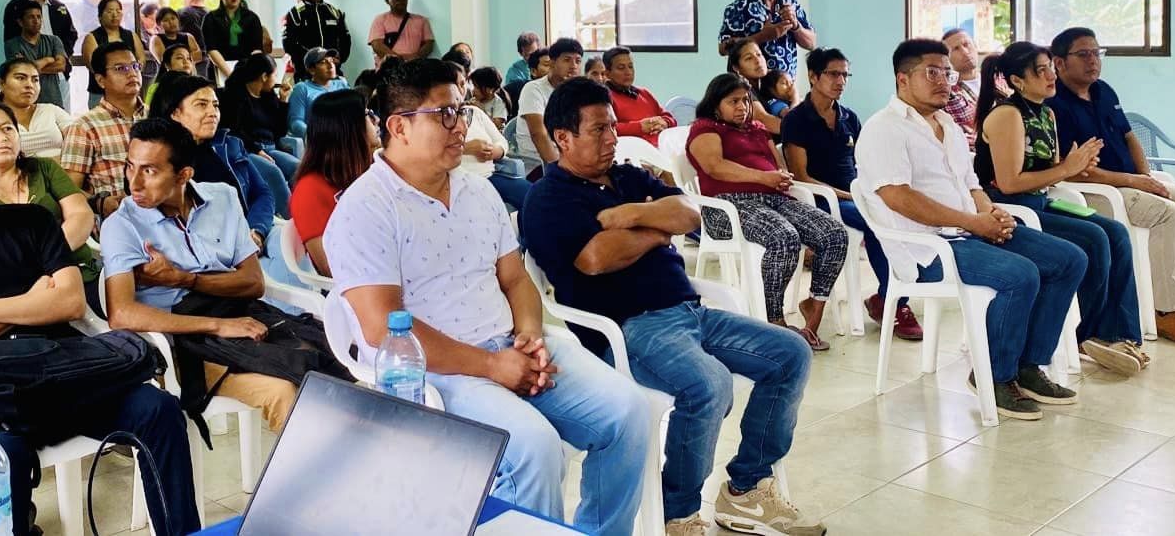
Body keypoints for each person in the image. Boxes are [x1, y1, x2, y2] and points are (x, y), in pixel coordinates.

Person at [326, 59, 652, 536]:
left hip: (511, 346)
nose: (461, 126)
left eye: (461, 111)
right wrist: (492, 366)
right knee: (533, 450)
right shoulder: (365, 209)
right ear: (398, 127)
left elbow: (516, 280)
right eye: (444, 114)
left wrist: (530, 337)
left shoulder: (477, 192)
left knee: (629, 413)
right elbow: (382, 327)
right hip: (437, 372)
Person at [522, 79, 822, 536]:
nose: (612, 138)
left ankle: (745, 489)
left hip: (690, 312)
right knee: (710, 385)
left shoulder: (626, 177)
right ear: (563, 137)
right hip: (630, 328)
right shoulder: (548, 198)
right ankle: (677, 513)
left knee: (791, 353)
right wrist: (657, 229)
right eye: (599, 129)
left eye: (612, 127)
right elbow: (596, 258)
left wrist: (632, 216)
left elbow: (689, 213)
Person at [0, 112, 199, 536]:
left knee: (158, 409)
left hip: (63, 377)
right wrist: (32, 301)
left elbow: (69, 302)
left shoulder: (31, 221)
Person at [856, 38, 1085, 420]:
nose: (943, 81)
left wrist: (991, 213)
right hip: (927, 249)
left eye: (947, 73)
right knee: (1021, 274)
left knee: (1068, 259)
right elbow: (898, 197)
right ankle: (994, 376)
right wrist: (972, 222)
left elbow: (971, 185)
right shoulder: (884, 129)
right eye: (932, 72)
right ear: (902, 79)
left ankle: (1027, 366)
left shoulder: (946, 124)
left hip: (970, 231)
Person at [100, 118, 300, 428]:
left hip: (244, 317)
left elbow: (252, 283)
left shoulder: (222, 198)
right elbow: (122, 314)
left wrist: (183, 278)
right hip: (185, 348)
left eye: (149, 171)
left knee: (325, 367)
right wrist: (218, 326)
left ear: (184, 175)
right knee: (287, 392)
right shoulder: (122, 225)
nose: (133, 183)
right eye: (130, 166)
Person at [1047, 27, 1175, 346]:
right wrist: (1133, 181)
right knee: (1169, 214)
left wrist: (1146, 177)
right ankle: (1167, 312)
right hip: (1095, 191)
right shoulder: (1054, 104)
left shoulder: (1104, 91)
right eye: (1083, 54)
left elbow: (1129, 137)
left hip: (1132, 183)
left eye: (1097, 53)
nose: (1093, 60)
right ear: (1059, 63)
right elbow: (1072, 170)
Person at [974, 43, 1146, 375]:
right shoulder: (1007, 115)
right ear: (1017, 81)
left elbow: (1050, 171)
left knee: (1115, 232)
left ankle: (1120, 334)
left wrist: (1078, 164)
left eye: (1050, 68)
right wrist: (1068, 168)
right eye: (1040, 70)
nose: (1051, 75)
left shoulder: (1046, 113)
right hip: (1009, 208)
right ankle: (1089, 335)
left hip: (1040, 201)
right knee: (1094, 238)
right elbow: (1008, 183)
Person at [688, 73, 848, 350]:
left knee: (834, 234)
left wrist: (781, 177)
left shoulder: (757, 129)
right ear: (715, 105)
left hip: (773, 198)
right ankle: (775, 321)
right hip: (728, 206)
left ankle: (814, 311)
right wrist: (764, 178)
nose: (742, 107)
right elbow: (714, 166)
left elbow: (777, 166)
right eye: (733, 101)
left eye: (746, 100)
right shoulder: (705, 128)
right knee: (783, 237)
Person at [781, 48, 923, 341]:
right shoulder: (797, 120)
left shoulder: (849, 117)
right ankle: (896, 304)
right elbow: (802, 178)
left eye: (845, 75)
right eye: (833, 74)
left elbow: (865, 163)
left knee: (900, 214)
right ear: (813, 76)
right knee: (877, 221)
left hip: (855, 196)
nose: (841, 81)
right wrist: (851, 196)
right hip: (820, 201)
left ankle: (888, 297)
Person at [0, 101, 99, 304]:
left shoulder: (44, 168)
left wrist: (47, 259)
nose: (2, 137)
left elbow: (80, 215)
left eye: (8, 128)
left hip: (79, 274)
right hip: (15, 291)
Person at [150, 75, 278, 257]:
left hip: (252, 235)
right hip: (206, 252)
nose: (213, 112)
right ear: (175, 113)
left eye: (215, 105)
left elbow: (262, 193)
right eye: (202, 105)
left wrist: (256, 231)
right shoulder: (161, 160)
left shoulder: (230, 145)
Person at [291, 90, 380, 278]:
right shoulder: (309, 190)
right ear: (347, 127)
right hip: (362, 285)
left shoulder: (375, 170)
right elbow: (331, 268)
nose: (376, 120)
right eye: (368, 114)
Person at [61, 42, 146, 219]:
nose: (132, 73)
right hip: (116, 218)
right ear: (100, 80)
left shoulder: (157, 116)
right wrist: (100, 203)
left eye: (135, 66)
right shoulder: (85, 127)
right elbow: (69, 190)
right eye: (120, 68)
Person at [717, 0, 816, 79]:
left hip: (785, 85)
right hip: (752, 86)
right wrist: (762, 36)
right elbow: (723, 48)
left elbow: (811, 43)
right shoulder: (737, 8)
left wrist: (796, 25)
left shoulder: (790, 3)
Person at [447, 60, 531, 210]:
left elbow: (501, 141)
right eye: (455, 84)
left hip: (490, 176)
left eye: (463, 84)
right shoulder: (433, 119)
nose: (461, 90)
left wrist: (495, 151)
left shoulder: (474, 112)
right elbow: (429, 150)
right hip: (458, 180)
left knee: (533, 197)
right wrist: (467, 148)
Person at [219, 53, 299, 190]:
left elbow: (280, 131)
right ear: (264, 76)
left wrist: (283, 101)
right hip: (247, 150)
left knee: (299, 168)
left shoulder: (269, 96)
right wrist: (257, 150)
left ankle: (299, 201)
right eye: (274, 75)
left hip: (270, 148)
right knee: (274, 173)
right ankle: (287, 205)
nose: (276, 79)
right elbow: (233, 131)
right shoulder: (234, 97)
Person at [2, 0, 79, 74]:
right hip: (27, 67)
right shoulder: (15, 6)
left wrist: (61, 54)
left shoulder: (59, 7)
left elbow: (71, 34)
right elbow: (10, 37)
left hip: (58, 68)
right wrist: (27, 63)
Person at [0, 58, 74, 160]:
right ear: (1, 83)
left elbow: (79, 142)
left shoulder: (51, 110)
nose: (29, 85)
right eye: (20, 78)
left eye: (35, 80)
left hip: (65, 168)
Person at [280, 0, 352, 81]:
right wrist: (311, 62)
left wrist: (339, 58)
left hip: (333, 71)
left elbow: (345, 38)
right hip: (306, 73)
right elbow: (288, 44)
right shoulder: (294, 14)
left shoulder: (333, 12)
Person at [600, 46, 676, 147]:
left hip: (660, 147)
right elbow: (604, 129)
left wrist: (665, 122)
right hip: (631, 151)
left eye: (630, 66)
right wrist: (639, 127)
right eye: (621, 68)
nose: (628, 72)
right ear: (607, 74)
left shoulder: (644, 93)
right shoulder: (603, 98)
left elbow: (669, 117)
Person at [3, 0, 69, 109]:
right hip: (26, 104)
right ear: (20, 22)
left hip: (53, 102)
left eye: (39, 17)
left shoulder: (54, 40)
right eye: (31, 17)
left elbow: (61, 65)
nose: (36, 21)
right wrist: (47, 60)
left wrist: (32, 66)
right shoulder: (12, 44)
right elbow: (23, 70)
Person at [81, 0, 144, 110]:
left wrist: (130, 75)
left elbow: (141, 60)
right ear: (100, 16)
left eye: (118, 11)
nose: (114, 15)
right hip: (100, 92)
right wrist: (114, 79)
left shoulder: (131, 35)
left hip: (128, 91)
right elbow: (92, 65)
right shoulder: (92, 37)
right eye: (110, 11)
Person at [203, 0, 267, 77]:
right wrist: (231, 75)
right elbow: (212, 49)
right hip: (219, 69)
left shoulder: (252, 18)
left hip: (246, 70)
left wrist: (250, 70)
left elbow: (257, 48)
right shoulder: (211, 18)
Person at [367, 0, 435, 67]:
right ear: (387, 1)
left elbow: (429, 44)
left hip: (414, 68)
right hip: (389, 69)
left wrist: (415, 58)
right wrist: (400, 60)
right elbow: (377, 45)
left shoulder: (422, 20)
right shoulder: (380, 20)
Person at [286, 47, 350, 138]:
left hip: (344, 136)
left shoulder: (342, 84)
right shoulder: (302, 89)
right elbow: (295, 122)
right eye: (323, 62)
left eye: (331, 60)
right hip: (318, 139)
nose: (330, 65)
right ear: (312, 70)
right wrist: (317, 134)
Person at [725, 37, 784, 134]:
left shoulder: (770, 83)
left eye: (759, 54)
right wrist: (802, 131)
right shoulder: (740, 89)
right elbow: (764, 120)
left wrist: (794, 94)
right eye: (749, 58)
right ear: (736, 68)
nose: (758, 60)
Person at [942, 28, 982, 149]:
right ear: (946, 58)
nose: (965, 52)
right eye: (956, 49)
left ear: (975, 46)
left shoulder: (999, 80)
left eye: (966, 44)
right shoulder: (948, 94)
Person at [148, 7, 202, 78]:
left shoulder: (188, 36)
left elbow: (199, 55)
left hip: (190, 75)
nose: (171, 22)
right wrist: (187, 58)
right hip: (168, 77)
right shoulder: (156, 39)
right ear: (159, 25)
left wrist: (178, 58)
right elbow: (165, 61)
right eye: (166, 20)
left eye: (173, 18)